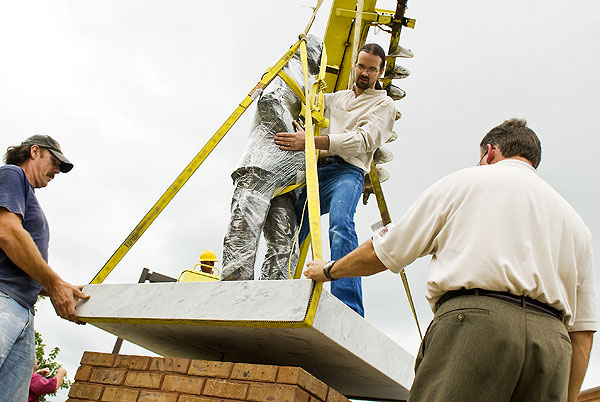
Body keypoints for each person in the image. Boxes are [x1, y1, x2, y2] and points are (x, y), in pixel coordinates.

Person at [304, 118, 596, 402]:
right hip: (551, 344)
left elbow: (384, 251)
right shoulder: (575, 223)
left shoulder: (465, 182)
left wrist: (329, 270)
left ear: (490, 152)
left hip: (477, 326)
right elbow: (583, 333)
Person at [274, 43, 396, 317]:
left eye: (372, 69)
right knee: (292, 226)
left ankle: (347, 305)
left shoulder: (383, 104)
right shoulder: (335, 98)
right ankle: (277, 287)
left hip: (348, 172)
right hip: (318, 170)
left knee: (341, 222)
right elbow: (305, 101)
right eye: (362, 66)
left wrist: (308, 140)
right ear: (355, 64)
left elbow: (362, 140)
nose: (365, 73)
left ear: (381, 72)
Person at [221, 34, 322, 281]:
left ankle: (274, 299)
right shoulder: (288, 71)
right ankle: (232, 300)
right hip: (261, 168)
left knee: (284, 244)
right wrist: (297, 142)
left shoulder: (308, 83)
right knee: (243, 236)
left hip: (286, 180)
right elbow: (269, 101)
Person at [0, 135, 90, 400]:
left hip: (23, 311)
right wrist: (54, 283)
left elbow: (16, 261)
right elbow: (7, 233)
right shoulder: (12, 174)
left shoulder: (26, 196)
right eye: (55, 162)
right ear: (35, 151)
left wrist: (55, 288)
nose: (57, 171)